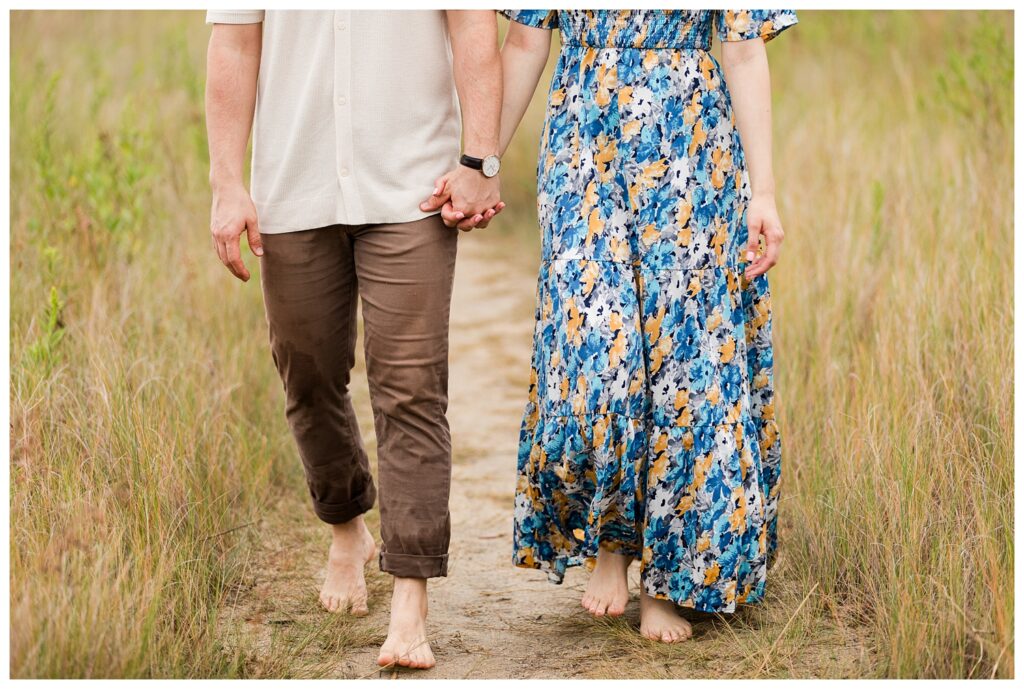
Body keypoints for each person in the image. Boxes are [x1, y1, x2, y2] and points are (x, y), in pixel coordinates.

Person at [204, 9, 503, 670]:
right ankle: (346, 524)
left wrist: (480, 157)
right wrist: (228, 184)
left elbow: (473, 29)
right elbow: (232, 44)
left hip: (413, 190)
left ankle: (409, 600)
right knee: (306, 372)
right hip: (293, 189)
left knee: (412, 387)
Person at [495, 9, 796, 643]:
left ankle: (666, 580)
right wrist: (481, 161)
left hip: (691, 147)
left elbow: (741, 51)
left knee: (686, 363)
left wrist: (763, 192)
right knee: (595, 355)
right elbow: (525, 38)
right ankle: (612, 542)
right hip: (584, 147)